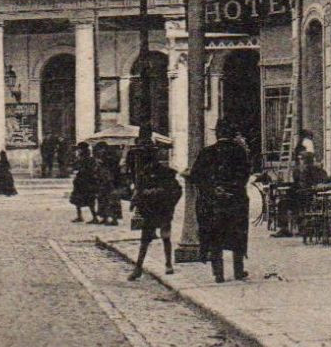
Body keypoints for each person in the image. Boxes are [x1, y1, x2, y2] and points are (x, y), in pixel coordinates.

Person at [189, 117, 253, 283]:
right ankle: (238, 271)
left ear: (217, 133)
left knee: (215, 236)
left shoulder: (207, 152)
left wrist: (214, 190)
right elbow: (245, 174)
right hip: (235, 200)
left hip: (213, 202)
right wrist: (232, 190)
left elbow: (196, 176)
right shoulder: (240, 152)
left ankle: (219, 274)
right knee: (237, 235)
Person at [127, 150, 182, 280]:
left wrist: (169, 203)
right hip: (150, 211)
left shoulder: (166, 173)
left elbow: (176, 191)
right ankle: (139, 268)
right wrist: (135, 202)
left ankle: (167, 264)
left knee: (163, 237)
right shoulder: (143, 174)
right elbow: (139, 191)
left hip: (163, 209)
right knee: (147, 240)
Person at [92, 142, 119, 225]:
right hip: (103, 181)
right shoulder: (104, 158)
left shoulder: (109, 158)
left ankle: (113, 219)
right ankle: (105, 217)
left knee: (109, 201)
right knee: (102, 200)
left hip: (108, 181)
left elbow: (110, 170)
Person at [69, 142, 97, 223]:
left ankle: (94, 217)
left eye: (79, 148)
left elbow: (87, 169)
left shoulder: (88, 159)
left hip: (86, 181)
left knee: (89, 199)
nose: (78, 150)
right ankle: (80, 216)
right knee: (78, 199)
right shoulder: (82, 158)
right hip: (80, 181)